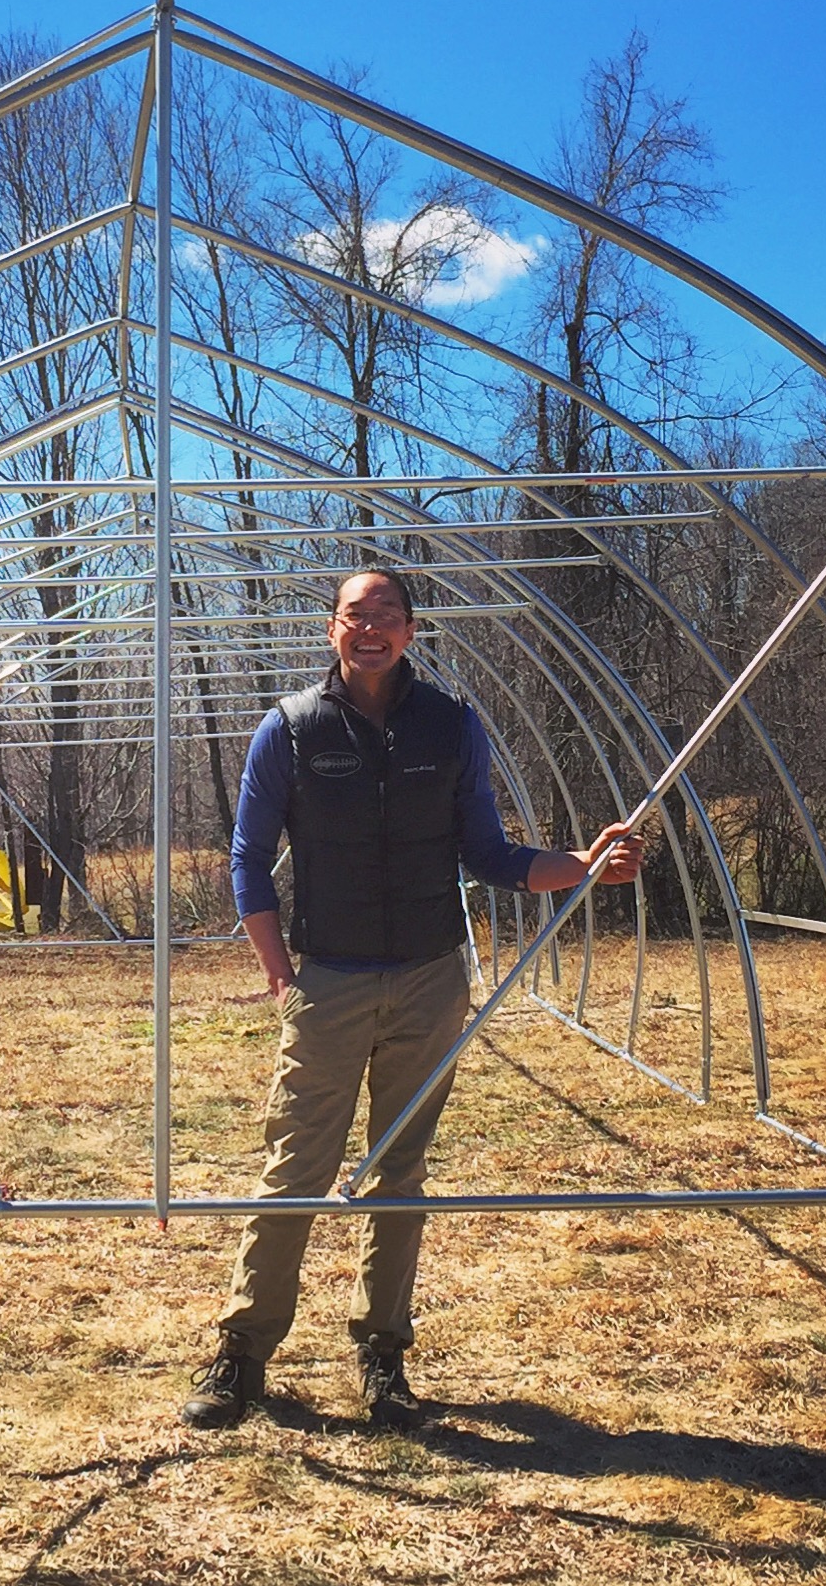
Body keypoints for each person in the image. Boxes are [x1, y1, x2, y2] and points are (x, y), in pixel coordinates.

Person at [184, 568, 645, 1432]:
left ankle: (382, 1355)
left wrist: (581, 867)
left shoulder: (452, 725)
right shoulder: (288, 730)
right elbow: (248, 861)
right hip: (329, 977)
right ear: (333, 630)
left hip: (431, 977)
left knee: (400, 1170)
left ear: (409, 630)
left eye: (387, 616)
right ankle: (243, 1354)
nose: (371, 629)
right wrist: (281, 971)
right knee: (296, 1168)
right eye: (356, 615)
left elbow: (492, 854)